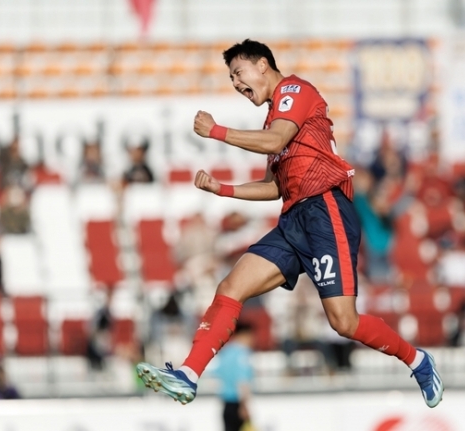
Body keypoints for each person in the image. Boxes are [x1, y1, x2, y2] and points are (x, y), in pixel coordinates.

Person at [136, 39, 444, 408]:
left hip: (326, 209)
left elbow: (275, 141)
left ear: (262, 64)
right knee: (231, 286)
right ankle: (189, 374)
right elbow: (274, 187)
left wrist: (217, 131)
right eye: (231, 78)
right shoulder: (274, 119)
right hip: (295, 218)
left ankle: (418, 360)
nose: (236, 83)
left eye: (238, 72)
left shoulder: (294, 91)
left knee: (343, 322)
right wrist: (223, 189)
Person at [213, 322, 255, 431]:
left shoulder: (226, 352)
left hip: (226, 404)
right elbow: (242, 381)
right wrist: (244, 405)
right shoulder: (243, 354)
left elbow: (218, 373)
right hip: (237, 404)